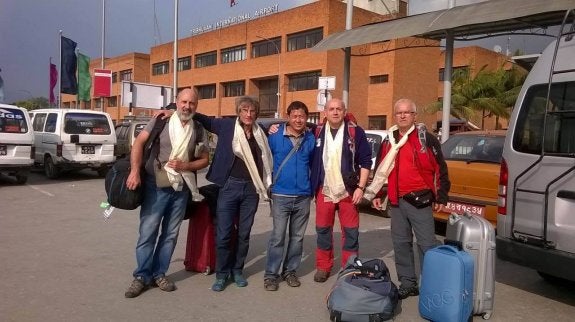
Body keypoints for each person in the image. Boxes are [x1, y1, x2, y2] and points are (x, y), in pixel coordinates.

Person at [124, 88, 209, 298]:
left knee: (170, 235)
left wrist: (186, 165)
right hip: (155, 186)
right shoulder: (161, 121)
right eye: (184, 102)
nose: (187, 106)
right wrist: (135, 171)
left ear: (196, 106)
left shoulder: (198, 128)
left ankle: (159, 273)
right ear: (177, 102)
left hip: (180, 188)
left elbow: (205, 159)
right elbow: (139, 143)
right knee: (148, 232)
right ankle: (141, 276)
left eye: (192, 103)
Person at [364, 98, 450, 300]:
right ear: (395, 116)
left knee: (427, 244)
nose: (402, 116)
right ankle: (408, 283)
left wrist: (441, 196)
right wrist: (378, 194)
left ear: (414, 116)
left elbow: (440, 168)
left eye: (407, 112)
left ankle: (431, 284)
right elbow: (381, 170)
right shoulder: (389, 140)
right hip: (396, 200)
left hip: (420, 200)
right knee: (401, 243)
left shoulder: (426, 139)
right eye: (398, 113)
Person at [193, 96, 273, 292]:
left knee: (244, 234)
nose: (248, 114)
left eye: (252, 111)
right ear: (238, 111)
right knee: (224, 233)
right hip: (228, 186)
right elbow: (203, 119)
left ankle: (237, 270)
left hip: (251, 189)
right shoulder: (226, 126)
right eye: (244, 110)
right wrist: (173, 110)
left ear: (256, 113)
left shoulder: (261, 132)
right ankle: (221, 274)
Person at [310, 98, 372, 283]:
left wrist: (361, 187)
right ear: (325, 113)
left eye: (339, 109)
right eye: (331, 109)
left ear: (345, 112)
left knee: (351, 232)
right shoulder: (317, 132)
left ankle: (350, 266)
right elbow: (293, 125)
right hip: (325, 189)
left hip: (349, 191)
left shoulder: (355, 132)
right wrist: (274, 128)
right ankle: (323, 266)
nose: (335, 112)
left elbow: (366, 161)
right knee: (323, 230)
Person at [264, 101, 316, 291]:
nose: (298, 119)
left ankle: (290, 271)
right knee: (277, 237)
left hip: (303, 195)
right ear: (288, 116)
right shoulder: (275, 135)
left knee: (297, 238)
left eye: (302, 116)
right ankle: (271, 275)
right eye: (294, 116)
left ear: (306, 118)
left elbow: (313, 163)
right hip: (280, 194)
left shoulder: (310, 138)